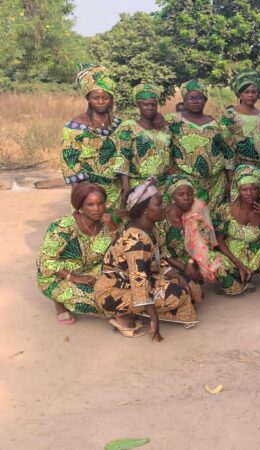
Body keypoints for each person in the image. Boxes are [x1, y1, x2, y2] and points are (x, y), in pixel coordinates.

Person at [95, 179, 199, 340]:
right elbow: (139, 282)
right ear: (145, 210)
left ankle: (142, 311)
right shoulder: (137, 239)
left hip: (136, 280)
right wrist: (153, 317)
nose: (163, 207)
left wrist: (179, 277)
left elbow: (159, 260)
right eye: (158, 204)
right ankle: (122, 315)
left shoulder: (151, 229)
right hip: (114, 291)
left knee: (193, 287)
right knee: (177, 295)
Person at [37, 183, 117, 324]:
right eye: (90, 205)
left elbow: (118, 251)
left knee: (122, 290)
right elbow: (45, 261)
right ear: (80, 206)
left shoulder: (107, 222)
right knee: (101, 302)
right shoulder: (63, 226)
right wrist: (73, 277)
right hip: (58, 275)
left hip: (93, 269)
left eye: (100, 203)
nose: (97, 209)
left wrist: (112, 228)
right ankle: (59, 302)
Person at [155, 176, 247, 295]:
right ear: (172, 196)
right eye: (181, 194)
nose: (186, 198)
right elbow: (163, 253)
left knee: (227, 275)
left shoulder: (196, 212)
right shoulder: (162, 219)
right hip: (173, 263)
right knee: (186, 294)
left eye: (189, 193)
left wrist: (191, 262)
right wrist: (184, 267)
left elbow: (203, 243)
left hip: (196, 256)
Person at [60, 65, 126, 213]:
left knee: (114, 230)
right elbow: (70, 163)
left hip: (115, 191)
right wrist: (78, 197)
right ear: (88, 99)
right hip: (88, 193)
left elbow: (125, 157)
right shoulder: (75, 127)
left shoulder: (119, 125)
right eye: (96, 98)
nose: (101, 102)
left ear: (111, 99)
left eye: (105, 98)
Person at [165, 79, 235, 212]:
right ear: (184, 100)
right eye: (191, 98)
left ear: (205, 100)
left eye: (200, 98)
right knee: (189, 221)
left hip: (216, 185)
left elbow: (229, 152)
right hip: (186, 184)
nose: (196, 102)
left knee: (212, 222)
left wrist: (230, 180)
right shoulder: (172, 121)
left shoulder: (217, 124)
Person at [213, 165, 260, 294]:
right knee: (231, 285)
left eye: (254, 189)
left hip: (252, 256)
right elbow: (219, 242)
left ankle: (248, 276)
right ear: (238, 190)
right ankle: (238, 277)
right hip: (230, 256)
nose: (249, 193)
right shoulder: (225, 210)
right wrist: (238, 264)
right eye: (244, 189)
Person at [116, 83, 172, 200]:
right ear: (138, 105)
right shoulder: (128, 128)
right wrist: (127, 190)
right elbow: (122, 160)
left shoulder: (165, 129)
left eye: (153, 104)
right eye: (145, 104)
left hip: (163, 186)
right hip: (138, 187)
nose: (150, 108)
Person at [221, 70, 260, 168]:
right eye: (246, 92)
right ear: (240, 94)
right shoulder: (230, 115)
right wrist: (230, 173)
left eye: (254, 92)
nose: (250, 95)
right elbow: (226, 145)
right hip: (239, 167)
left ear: (258, 94)